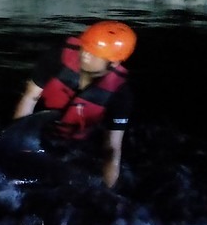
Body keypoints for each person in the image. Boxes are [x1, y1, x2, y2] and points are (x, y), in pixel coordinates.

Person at [11, 20, 136, 189]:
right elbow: (29, 98)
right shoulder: (58, 57)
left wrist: (108, 192)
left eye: (94, 53)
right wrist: (19, 144)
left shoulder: (120, 93)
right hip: (39, 131)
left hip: (75, 146)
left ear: (113, 63)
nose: (85, 54)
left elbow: (112, 149)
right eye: (85, 46)